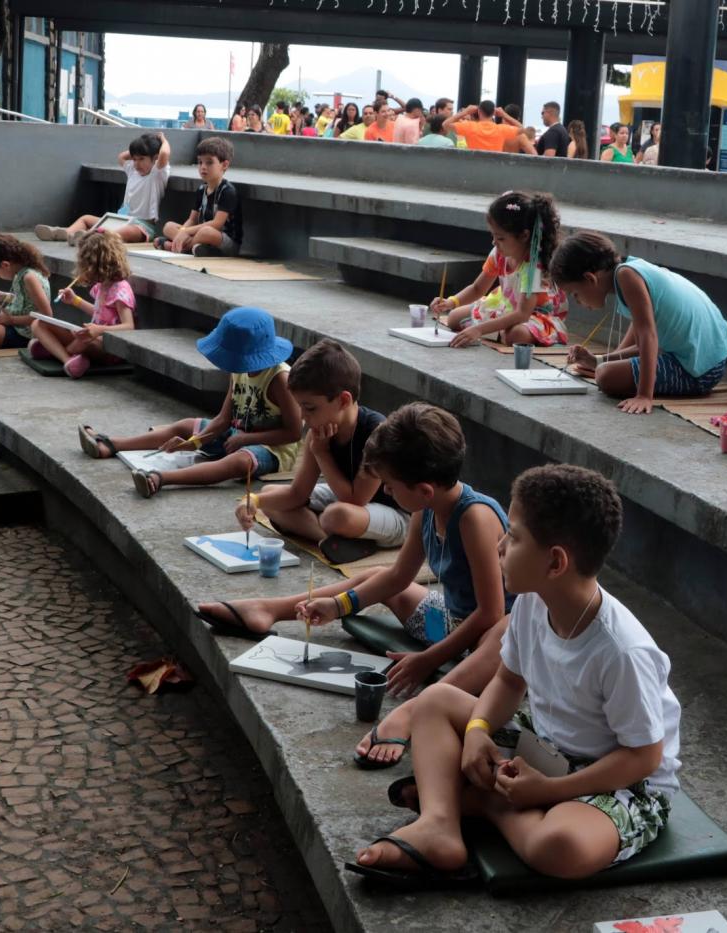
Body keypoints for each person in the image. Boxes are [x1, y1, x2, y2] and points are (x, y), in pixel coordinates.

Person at [347, 464, 680, 885]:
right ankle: (440, 825)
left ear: (555, 562)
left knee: (560, 848)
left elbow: (643, 756)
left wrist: (548, 791)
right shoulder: (531, 602)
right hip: (547, 743)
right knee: (433, 701)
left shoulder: (622, 650)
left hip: (618, 779)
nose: (500, 544)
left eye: (515, 536)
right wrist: (479, 731)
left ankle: (490, 805)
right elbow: (508, 680)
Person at [198, 403, 513, 771]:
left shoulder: (474, 517)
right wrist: (340, 605)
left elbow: (492, 613)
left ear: (424, 489)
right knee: (374, 575)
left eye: (392, 488)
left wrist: (429, 659)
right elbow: (398, 577)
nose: (390, 494)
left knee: (505, 633)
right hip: (452, 621)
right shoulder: (424, 509)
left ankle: (415, 712)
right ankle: (270, 609)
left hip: (488, 641)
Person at [231, 339, 408, 563]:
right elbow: (297, 494)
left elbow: (355, 500)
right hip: (350, 505)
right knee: (270, 495)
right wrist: (253, 500)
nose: (304, 417)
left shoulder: (376, 431)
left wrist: (321, 453)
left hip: (394, 514)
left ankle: (337, 534)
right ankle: (330, 540)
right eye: (301, 407)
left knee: (337, 515)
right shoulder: (321, 428)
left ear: (343, 400)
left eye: (310, 408)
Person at [117, 307, 302, 497]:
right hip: (237, 435)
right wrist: (195, 442)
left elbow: (294, 433)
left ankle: (161, 478)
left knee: (239, 463)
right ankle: (114, 444)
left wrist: (248, 439)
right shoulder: (239, 369)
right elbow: (223, 419)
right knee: (186, 425)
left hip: (271, 450)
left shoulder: (280, 380)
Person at [553, 231, 727, 412]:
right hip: (713, 360)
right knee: (605, 368)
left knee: (605, 376)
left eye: (575, 294)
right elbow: (640, 345)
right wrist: (598, 360)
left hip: (698, 371)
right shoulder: (632, 268)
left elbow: (648, 337)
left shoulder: (627, 277)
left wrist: (644, 395)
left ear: (590, 279)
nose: (577, 301)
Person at [435, 191, 567, 349]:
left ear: (524, 236)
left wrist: (478, 329)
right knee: (453, 317)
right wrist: (450, 302)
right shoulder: (499, 253)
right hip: (505, 304)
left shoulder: (534, 268)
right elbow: (478, 288)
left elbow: (522, 314)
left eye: (501, 238)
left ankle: (500, 331)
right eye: (493, 236)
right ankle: (500, 331)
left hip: (534, 315)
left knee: (517, 335)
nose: (494, 242)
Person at [29, 230, 136, 378]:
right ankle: (67, 357)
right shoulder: (102, 285)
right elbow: (99, 313)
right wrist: (75, 301)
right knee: (37, 324)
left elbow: (129, 326)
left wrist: (99, 330)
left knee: (81, 342)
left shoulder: (120, 289)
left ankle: (58, 352)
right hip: (92, 337)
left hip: (110, 348)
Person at [34, 132, 170, 245]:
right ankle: (66, 233)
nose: (136, 163)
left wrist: (162, 139)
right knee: (86, 218)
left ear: (155, 158)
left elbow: (164, 153)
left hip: (142, 226)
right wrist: (138, 149)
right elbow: (122, 156)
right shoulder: (132, 171)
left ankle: (87, 237)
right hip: (121, 219)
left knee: (124, 232)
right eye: (134, 159)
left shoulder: (156, 173)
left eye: (141, 159)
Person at [154, 136, 243, 257]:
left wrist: (186, 232)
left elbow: (217, 224)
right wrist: (182, 232)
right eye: (200, 162)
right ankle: (193, 247)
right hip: (200, 236)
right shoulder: (202, 189)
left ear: (224, 165)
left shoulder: (227, 191)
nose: (203, 167)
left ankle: (179, 247)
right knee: (168, 227)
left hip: (224, 241)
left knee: (206, 232)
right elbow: (192, 219)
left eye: (209, 162)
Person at [444, 100, 522, 153]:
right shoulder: (501, 129)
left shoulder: (469, 127)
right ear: (493, 113)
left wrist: (465, 111)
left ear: (479, 111)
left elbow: (445, 124)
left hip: (473, 169)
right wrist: (504, 115)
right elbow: (522, 129)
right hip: (494, 169)